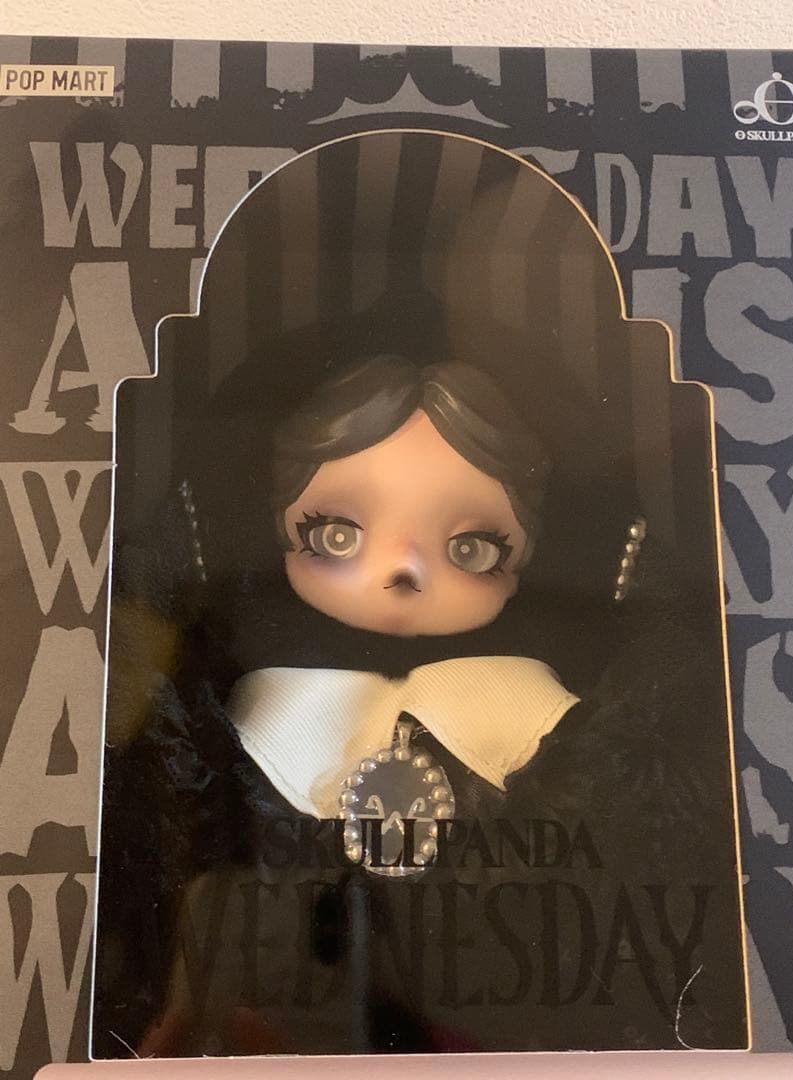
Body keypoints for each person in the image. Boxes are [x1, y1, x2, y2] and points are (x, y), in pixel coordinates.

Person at [92, 131, 747, 1058]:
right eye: (336, 533)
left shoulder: (570, 741)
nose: (402, 570)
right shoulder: (224, 745)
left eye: (472, 546)